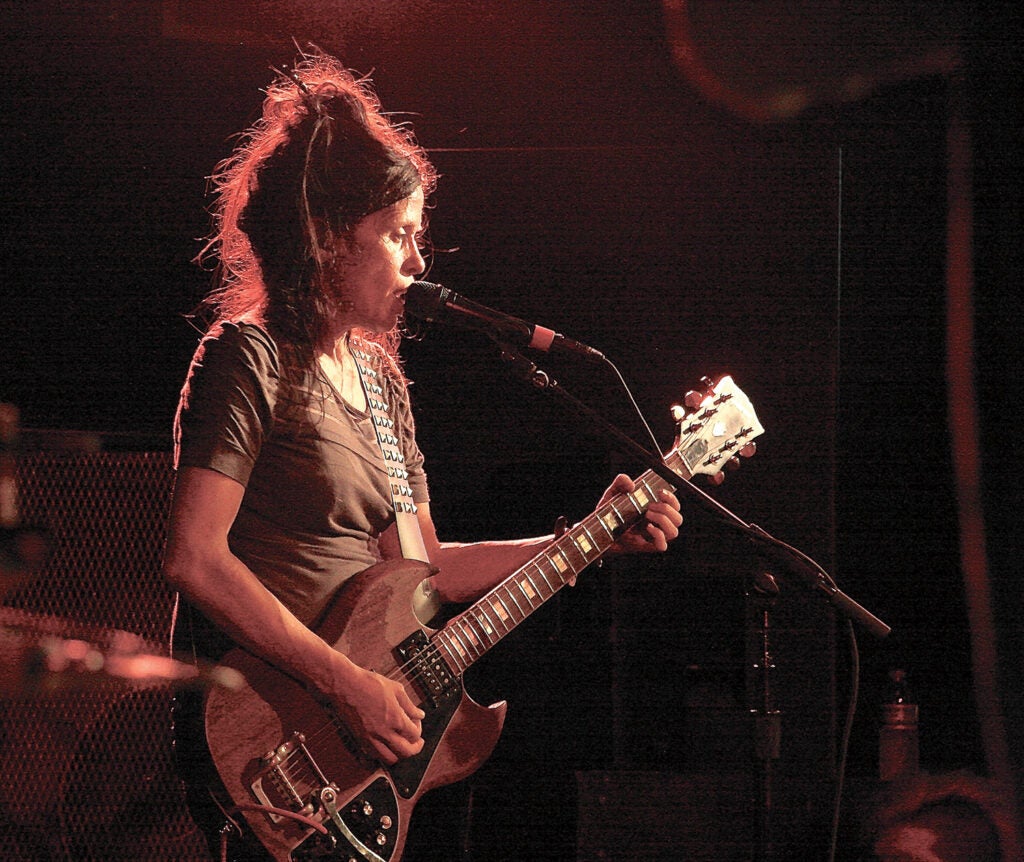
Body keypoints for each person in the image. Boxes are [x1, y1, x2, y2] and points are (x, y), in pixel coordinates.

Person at [162, 49, 683, 861]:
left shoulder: (381, 379)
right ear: (329, 238)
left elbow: (424, 569)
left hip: (358, 742)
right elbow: (195, 558)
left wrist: (589, 536)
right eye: (398, 235)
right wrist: (346, 683)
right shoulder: (249, 356)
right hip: (278, 729)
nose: (417, 263)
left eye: (419, 236)